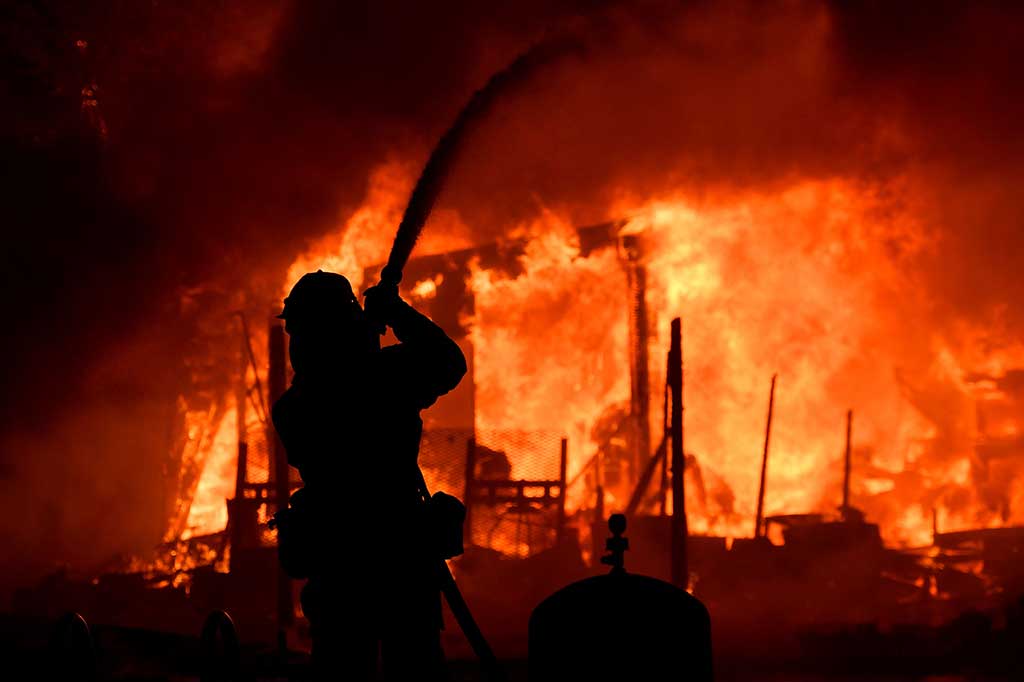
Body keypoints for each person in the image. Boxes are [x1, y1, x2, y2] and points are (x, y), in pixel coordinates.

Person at [271, 270, 467, 680]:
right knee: (413, 671)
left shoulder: (295, 405)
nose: (297, 342)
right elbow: (446, 361)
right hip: (399, 562)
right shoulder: (385, 377)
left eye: (301, 331)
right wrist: (395, 313)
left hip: (342, 567)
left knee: (343, 669)